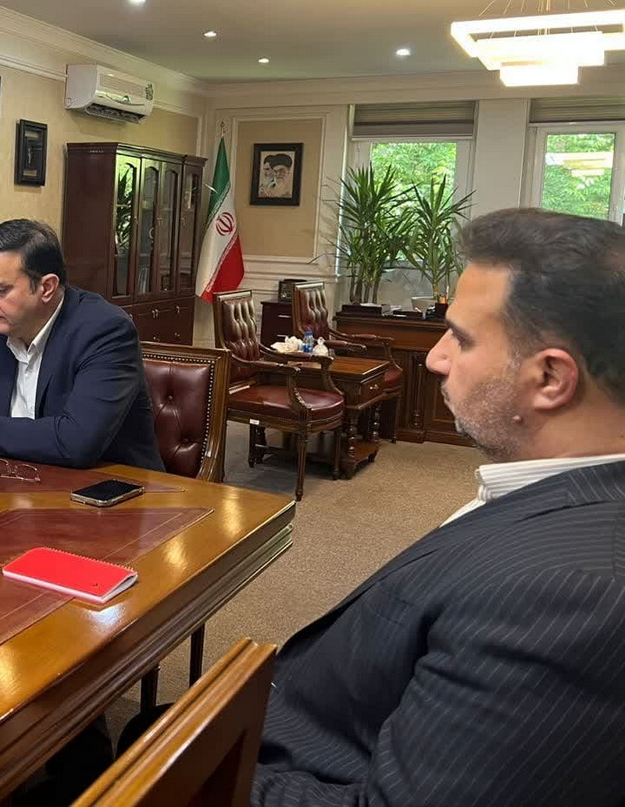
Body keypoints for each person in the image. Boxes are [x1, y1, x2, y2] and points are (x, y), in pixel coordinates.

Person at [251, 208, 625, 806]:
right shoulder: (560, 492)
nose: (435, 358)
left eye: (462, 338)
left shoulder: (570, 596)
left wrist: (196, 762)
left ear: (551, 378)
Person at [0, 218, 164, 471]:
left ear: (46, 287)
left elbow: (76, 441)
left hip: (110, 489)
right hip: (11, 480)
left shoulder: (104, 331)